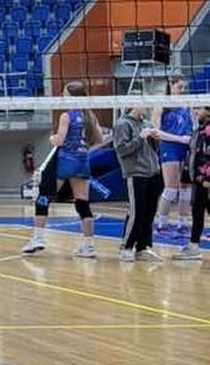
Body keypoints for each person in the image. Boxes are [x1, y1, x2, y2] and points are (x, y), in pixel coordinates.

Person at [22, 81, 107, 257]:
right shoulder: (90, 116)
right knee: (82, 203)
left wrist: (53, 138)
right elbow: (101, 140)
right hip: (83, 161)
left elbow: (59, 140)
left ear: (72, 97)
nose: (62, 96)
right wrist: (84, 148)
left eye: (65, 94)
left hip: (65, 161)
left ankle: (37, 239)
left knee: (43, 196)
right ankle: (89, 246)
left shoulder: (67, 116)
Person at [114, 103, 164, 262]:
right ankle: (126, 247)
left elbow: (152, 150)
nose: (146, 105)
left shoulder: (147, 124)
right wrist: (140, 137)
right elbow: (121, 150)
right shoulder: (122, 124)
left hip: (153, 172)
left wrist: (155, 139)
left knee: (149, 213)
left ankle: (143, 247)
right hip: (136, 173)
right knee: (137, 212)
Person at [154, 74, 194, 235]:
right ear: (171, 85)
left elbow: (192, 125)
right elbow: (156, 132)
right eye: (179, 87)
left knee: (186, 188)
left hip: (186, 147)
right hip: (169, 147)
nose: (182, 90)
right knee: (171, 188)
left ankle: (182, 223)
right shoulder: (162, 104)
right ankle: (162, 224)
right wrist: (179, 139)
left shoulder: (187, 103)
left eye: (184, 87)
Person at [173, 107, 210, 261]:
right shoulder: (198, 130)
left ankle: (193, 245)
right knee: (197, 212)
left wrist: (207, 179)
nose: (195, 111)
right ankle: (193, 246)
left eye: (198, 108)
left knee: (200, 211)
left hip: (206, 181)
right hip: (199, 181)